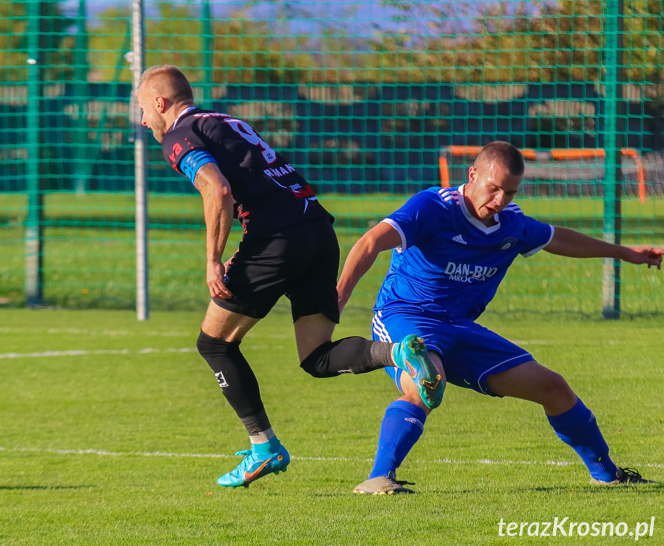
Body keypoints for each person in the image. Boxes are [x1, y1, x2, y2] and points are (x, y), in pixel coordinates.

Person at [136, 65, 444, 488]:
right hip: (318, 230)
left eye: (142, 110)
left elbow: (218, 189)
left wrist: (213, 259)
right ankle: (397, 354)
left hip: (277, 238)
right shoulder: (224, 120)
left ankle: (263, 447)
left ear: (160, 103)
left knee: (214, 343)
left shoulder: (179, 134)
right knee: (317, 358)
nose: (142, 121)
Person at [337, 140, 663, 495]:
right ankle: (379, 479)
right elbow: (369, 243)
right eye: (493, 189)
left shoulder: (512, 224)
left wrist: (623, 253)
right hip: (406, 316)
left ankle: (608, 475)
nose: (499, 201)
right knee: (427, 383)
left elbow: (559, 239)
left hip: (459, 328)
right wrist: (336, 302)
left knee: (554, 388)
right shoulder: (432, 207)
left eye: (509, 193)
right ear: (473, 174)